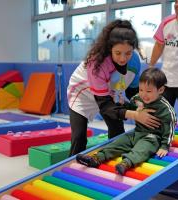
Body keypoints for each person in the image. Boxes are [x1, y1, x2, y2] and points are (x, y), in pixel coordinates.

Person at [67, 20, 160, 156]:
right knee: (79, 136)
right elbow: (105, 106)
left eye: (128, 53)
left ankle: (114, 161)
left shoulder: (134, 62)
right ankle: (71, 168)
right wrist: (135, 114)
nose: (123, 59)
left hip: (109, 95)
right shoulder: (97, 64)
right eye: (118, 53)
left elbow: (133, 91)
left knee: (117, 131)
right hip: (82, 95)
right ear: (109, 48)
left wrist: (142, 104)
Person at [76, 68, 177, 175]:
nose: (143, 94)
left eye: (148, 91)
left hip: (152, 137)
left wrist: (165, 146)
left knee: (142, 149)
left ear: (160, 90)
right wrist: (124, 104)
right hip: (136, 133)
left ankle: (126, 163)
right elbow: (132, 106)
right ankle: (97, 158)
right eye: (141, 90)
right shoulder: (138, 98)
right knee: (119, 142)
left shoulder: (165, 108)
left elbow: (170, 125)